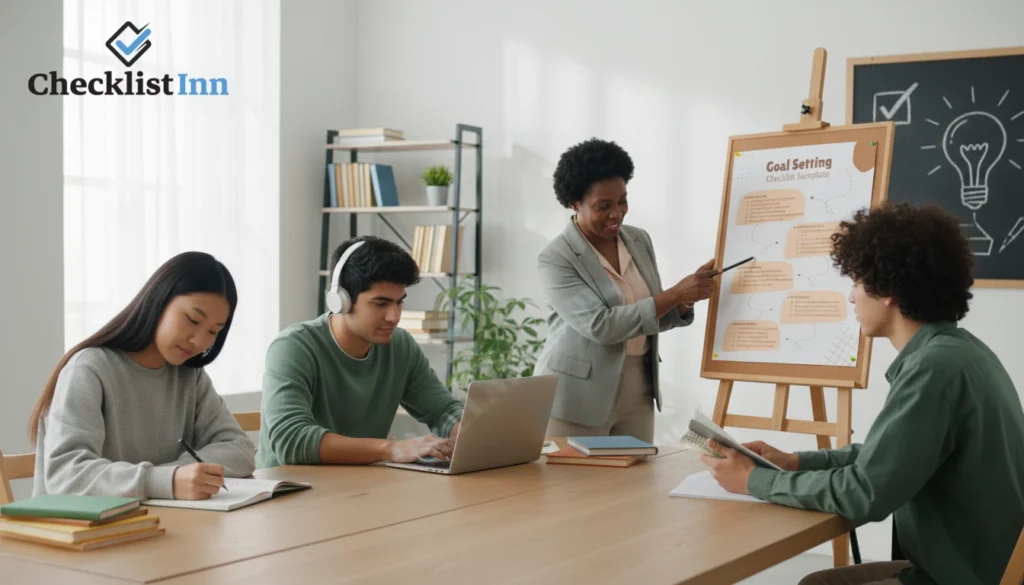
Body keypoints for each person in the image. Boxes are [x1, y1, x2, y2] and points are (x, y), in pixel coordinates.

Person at [701, 203, 1024, 585]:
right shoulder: (960, 352)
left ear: (886, 289)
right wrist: (793, 461)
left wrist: (754, 482)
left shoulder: (934, 370)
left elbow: (866, 493)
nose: (852, 298)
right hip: (976, 564)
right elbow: (888, 458)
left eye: (855, 283)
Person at [31, 252, 256, 501]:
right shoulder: (89, 369)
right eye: (193, 320)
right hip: (80, 534)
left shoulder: (189, 377)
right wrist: (165, 481)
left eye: (213, 331)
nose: (199, 341)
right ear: (160, 300)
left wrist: (177, 474)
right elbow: (66, 475)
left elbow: (240, 448)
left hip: (160, 528)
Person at [535, 138, 719, 443]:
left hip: (639, 387)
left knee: (635, 486)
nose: (617, 213)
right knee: (571, 489)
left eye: (622, 201)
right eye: (603, 206)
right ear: (574, 203)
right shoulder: (556, 258)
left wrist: (684, 301)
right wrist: (674, 293)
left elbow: (648, 316)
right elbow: (601, 326)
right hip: (576, 395)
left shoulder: (638, 240)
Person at [257, 236, 464, 468]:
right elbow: (292, 441)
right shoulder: (293, 348)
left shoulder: (400, 346)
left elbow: (442, 410)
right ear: (341, 300)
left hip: (361, 488)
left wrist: (463, 432)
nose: (394, 317)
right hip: (290, 493)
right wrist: (391, 448)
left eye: (399, 303)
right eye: (380, 304)